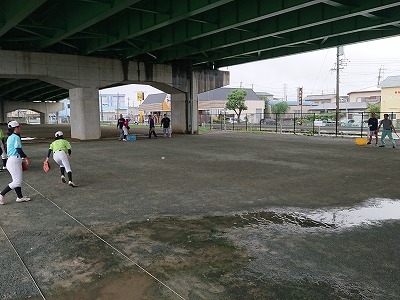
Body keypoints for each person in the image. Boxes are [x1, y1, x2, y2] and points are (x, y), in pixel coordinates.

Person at [0, 121, 31, 205]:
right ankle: (2, 194)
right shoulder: (15, 137)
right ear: (15, 128)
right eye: (18, 127)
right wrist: (26, 158)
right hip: (14, 161)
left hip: (13, 160)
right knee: (17, 182)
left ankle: (19, 197)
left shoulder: (10, 137)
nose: (20, 128)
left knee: (17, 180)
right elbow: (18, 149)